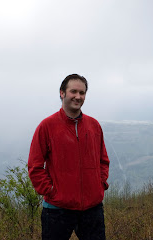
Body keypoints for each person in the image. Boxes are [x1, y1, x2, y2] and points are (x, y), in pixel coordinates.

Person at [28, 74, 110, 240]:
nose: (78, 96)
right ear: (62, 93)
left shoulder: (94, 125)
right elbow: (35, 166)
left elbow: (103, 160)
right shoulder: (47, 126)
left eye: (82, 92)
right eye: (73, 91)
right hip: (57, 210)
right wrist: (51, 191)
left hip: (92, 209)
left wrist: (100, 184)